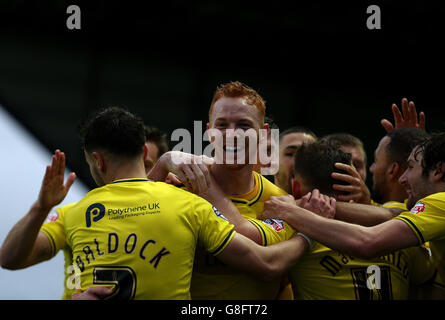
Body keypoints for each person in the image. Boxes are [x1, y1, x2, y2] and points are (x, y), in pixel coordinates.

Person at [0, 107, 311, 299]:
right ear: (142, 152)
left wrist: (41, 206)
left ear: (97, 161)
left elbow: (10, 259)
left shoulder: (72, 213)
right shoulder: (189, 204)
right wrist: (308, 233)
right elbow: (265, 264)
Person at [149, 81, 302, 299]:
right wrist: (163, 163)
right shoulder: (179, 186)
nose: (232, 134)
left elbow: (260, 254)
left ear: (264, 133)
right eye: (222, 125)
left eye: (244, 125)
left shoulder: (280, 203)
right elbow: (133, 216)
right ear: (209, 132)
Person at [261, 131, 445, 298]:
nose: (402, 178)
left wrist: (294, 209)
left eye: (409, 166)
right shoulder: (405, 232)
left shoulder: (286, 228)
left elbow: (368, 242)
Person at [0, 123, 170, 300]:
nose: (134, 172)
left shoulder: (177, 214)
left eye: (146, 165)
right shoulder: (74, 215)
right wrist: (40, 208)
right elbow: (9, 259)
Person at [274, 126, 317, 194]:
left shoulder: (333, 201)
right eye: (290, 154)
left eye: (309, 155)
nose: (300, 161)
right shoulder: (257, 203)